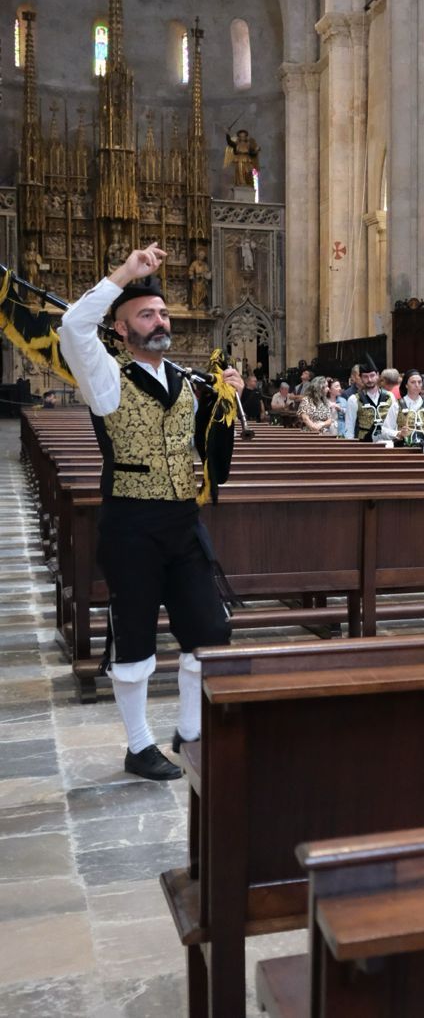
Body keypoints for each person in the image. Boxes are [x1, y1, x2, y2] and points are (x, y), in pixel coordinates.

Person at [58, 243, 241, 781]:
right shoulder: (104, 376)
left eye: (162, 312)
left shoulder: (186, 382)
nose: (159, 320)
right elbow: (72, 326)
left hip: (183, 523)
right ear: (120, 329)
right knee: (134, 637)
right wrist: (126, 274)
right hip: (132, 525)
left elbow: (213, 448)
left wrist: (227, 403)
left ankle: (189, 731)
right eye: (145, 314)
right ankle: (138, 746)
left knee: (208, 630)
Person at [350, 355, 396, 443]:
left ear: (377, 375)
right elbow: (349, 428)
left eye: (372, 375)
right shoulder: (354, 399)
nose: (369, 379)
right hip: (364, 443)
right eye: (365, 376)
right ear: (360, 377)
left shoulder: (389, 396)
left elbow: (395, 422)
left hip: (387, 442)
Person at [387, 370, 424, 447]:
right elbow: (385, 430)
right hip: (403, 449)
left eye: (419, 382)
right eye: (413, 382)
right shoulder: (396, 405)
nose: (417, 385)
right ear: (406, 385)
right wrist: (399, 434)